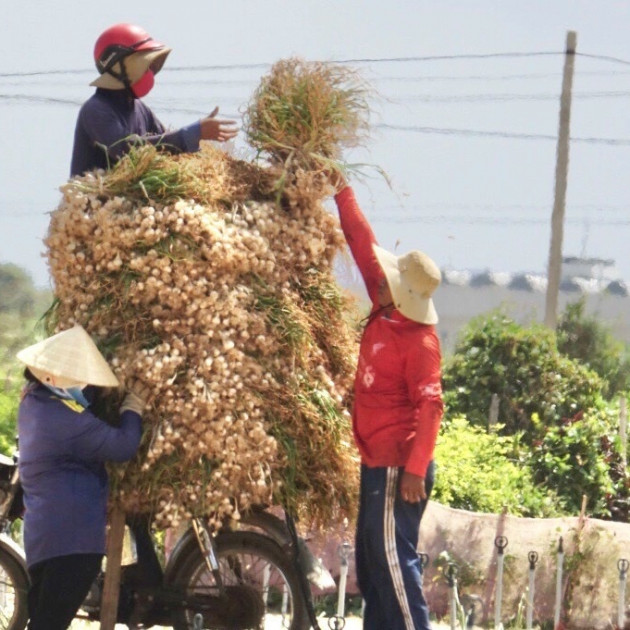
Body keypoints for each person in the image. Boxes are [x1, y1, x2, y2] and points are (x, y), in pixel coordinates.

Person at [332, 179, 444, 630]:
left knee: (394, 565)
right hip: (375, 459)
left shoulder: (420, 342)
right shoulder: (385, 304)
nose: (377, 282)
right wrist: (339, 188)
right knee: (372, 564)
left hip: (400, 467)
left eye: (388, 283)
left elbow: (431, 407)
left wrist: (416, 468)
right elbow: (361, 239)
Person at [16, 324, 149, 630]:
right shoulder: (69, 422)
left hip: (44, 538)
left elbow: (78, 400)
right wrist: (133, 409)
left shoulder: (33, 399)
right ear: (53, 378)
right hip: (72, 542)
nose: (85, 384)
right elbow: (123, 445)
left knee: (43, 620)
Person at [70, 22, 238, 177]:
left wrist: (198, 142)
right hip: (96, 206)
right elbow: (127, 150)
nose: (150, 72)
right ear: (119, 66)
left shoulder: (141, 110)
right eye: (145, 65)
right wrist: (190, 134)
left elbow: (165, 146)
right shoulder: (96, 109)